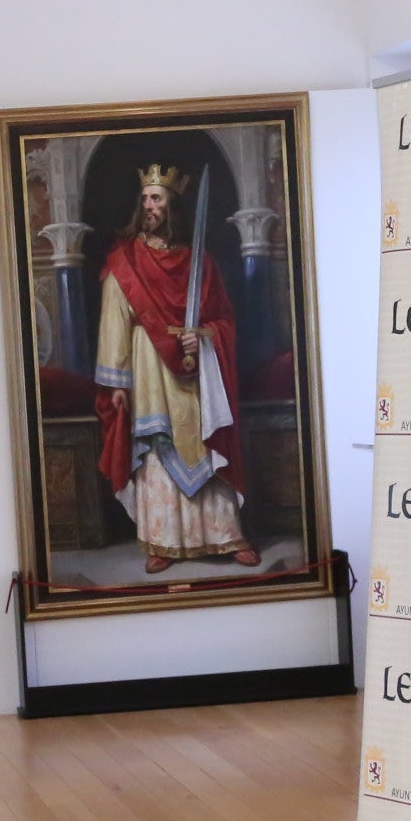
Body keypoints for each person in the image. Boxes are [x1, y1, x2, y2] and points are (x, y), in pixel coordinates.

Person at [93, 163, 259, 574]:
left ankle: (225, 535)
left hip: (197, 372)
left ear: (173, 206)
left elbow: (224, 319)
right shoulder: (125, 262)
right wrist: (118, 385)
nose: (149, 205)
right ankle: (161, 541)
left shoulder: (199, 262)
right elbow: (114, 323)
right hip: (149, 370)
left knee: (204, 442)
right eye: (145, 199)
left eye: (157, 198)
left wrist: (204, 336)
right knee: (158, 446)